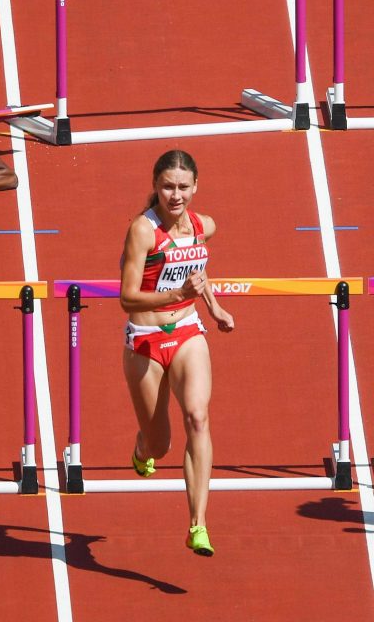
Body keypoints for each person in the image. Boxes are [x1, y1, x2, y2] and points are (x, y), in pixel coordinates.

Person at [118, 150, 234, 557]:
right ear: (155, 185)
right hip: (146, 339)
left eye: (184, 187)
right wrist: (175, 293)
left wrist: (213, 307)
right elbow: (127, 298)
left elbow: (196, 269)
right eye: (168, 186)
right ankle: (141, 448)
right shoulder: (142, 231)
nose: (176, 195)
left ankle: (197, 524)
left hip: (186, 331)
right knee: (160, 445)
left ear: (196, 187)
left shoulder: (204, 226)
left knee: (198, 417)